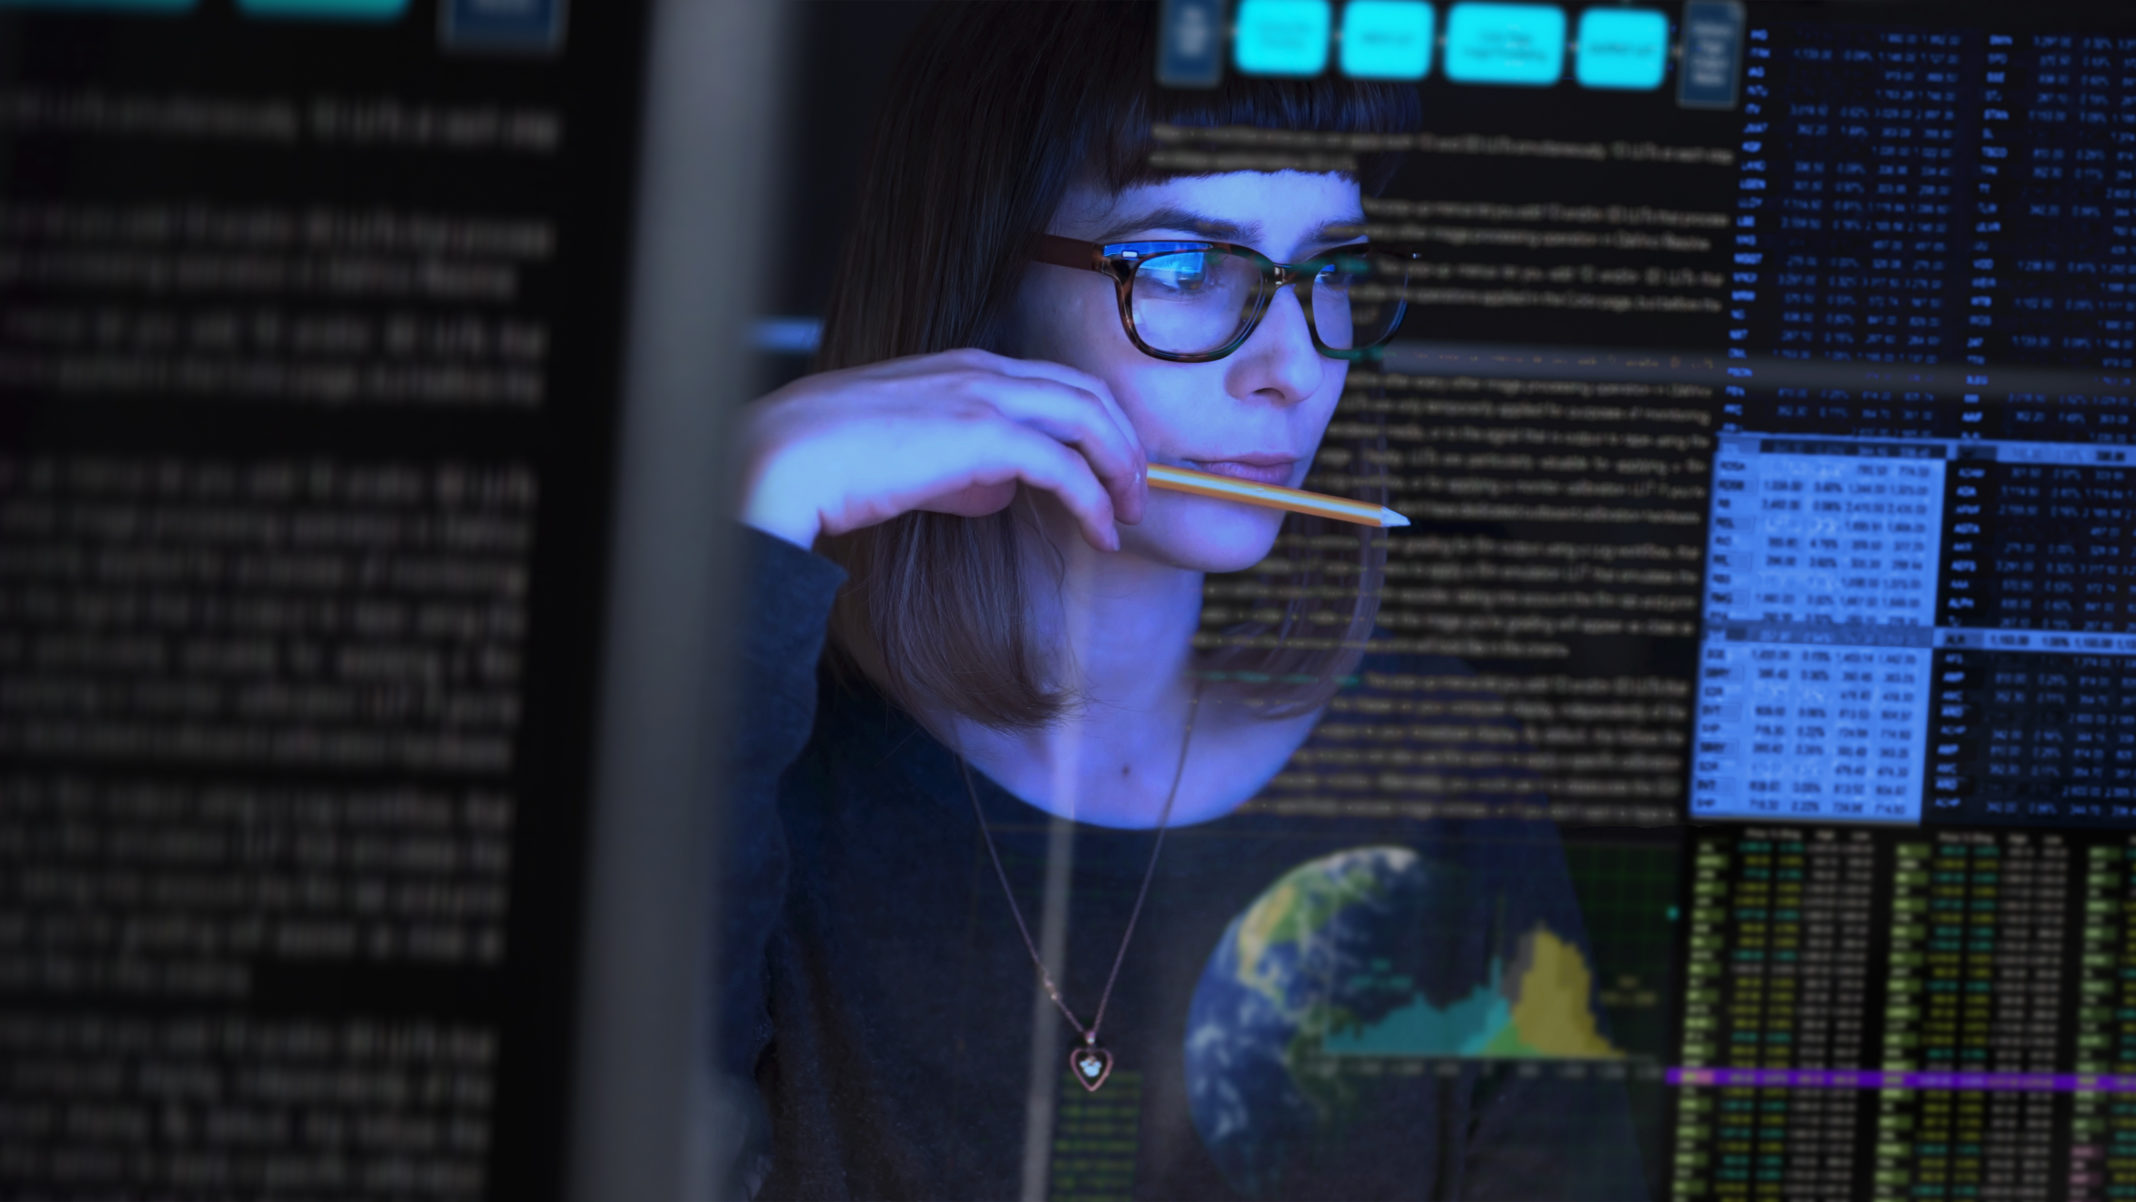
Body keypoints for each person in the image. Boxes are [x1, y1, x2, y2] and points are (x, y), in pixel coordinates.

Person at [721, 3, 1648, 1198]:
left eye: (1331, 272)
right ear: (978, 278)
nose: (1296, 369)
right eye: (1184, 266)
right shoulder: (766, 760)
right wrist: (755, 512)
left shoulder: (1440, 770)